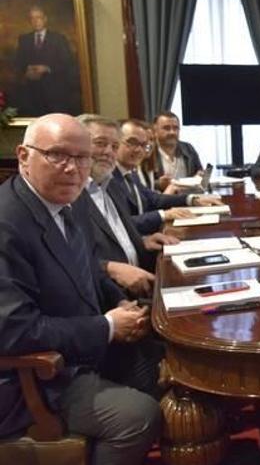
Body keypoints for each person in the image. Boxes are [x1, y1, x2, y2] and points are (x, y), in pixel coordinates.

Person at [0, 113, 161, 464]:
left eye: (82, 157)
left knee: (165, 364)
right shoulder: (6, 223)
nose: (73, 169)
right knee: (139, 415)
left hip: (82, 348)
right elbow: (13, 330)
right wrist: (106, 327)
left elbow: (90, 270)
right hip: (34, 378)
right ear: (24, 156)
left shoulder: (70, 202)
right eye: (57, 155)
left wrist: (121, 305)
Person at [76, 115, 178, 291]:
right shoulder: (70, 194)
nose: (108, 152)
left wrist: (141, 241)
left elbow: (119, 233)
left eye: (114, 146)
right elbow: (72, 259)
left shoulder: (108, 184)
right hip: (110, 296)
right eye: (100, 143)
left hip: (140, 283)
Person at [114, 118, 222, 234]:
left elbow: (153, 198)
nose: (139, 150)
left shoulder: (130, 173)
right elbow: (119, 224)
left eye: (144, 145)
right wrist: (163, 214)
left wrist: (191, 199)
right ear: (115, 143)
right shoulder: (109, 178)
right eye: (132, 143)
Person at [13, 6, 79, 116]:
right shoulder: (24, 39)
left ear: (45, 19)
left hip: (54, 93)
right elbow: (18, 62)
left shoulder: (58, 38)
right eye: (32, 18)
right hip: (32, 92)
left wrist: (47, 68)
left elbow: (68, 63)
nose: (35, 21)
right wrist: (26, 70)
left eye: (38, 17)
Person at [152, 111, 202, 191]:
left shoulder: (188, 148)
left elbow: (199, 172)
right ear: (155, 131)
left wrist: (200, 176)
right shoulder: (148, 152)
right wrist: (158, 184)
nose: (172, 132)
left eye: (175, 128)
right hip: (161, 200)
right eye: (166, 128)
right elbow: (141, 184)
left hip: (189, 198)